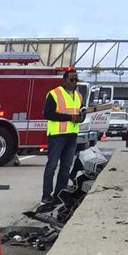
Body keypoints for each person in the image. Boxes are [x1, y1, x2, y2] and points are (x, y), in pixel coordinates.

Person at [40, 66, 83, 211]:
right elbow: (48, 114)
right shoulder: (54, 94)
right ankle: (46, 195)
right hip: (57, 135)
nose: (75, 82)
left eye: (76, 79)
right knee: (52, 166)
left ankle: (59, 193)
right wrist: (70, 117)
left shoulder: (78, 96)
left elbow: (78, 113)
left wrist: (79, 118)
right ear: (64, 81)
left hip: (72, 135)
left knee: (66, 166)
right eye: (72, 79)